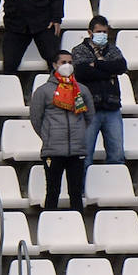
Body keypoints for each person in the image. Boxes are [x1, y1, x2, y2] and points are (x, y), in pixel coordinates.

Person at [29, 50, 93, 211]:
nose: (67, 66)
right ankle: (49, 229)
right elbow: (36, 118)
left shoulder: (82, 90)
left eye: (70, 62)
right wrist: (48, 135)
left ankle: (78, 229)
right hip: (53, 149)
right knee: (52, 191)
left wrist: (79, 133)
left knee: (76, 192)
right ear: (54, 65)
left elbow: (89, 116)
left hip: (76, 149)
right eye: (63, 62)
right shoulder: (43, 91)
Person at [69, 16, 125, 167]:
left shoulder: (113, 49)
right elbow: (81, 72)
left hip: (112, 108)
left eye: (105, 32)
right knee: (85, 155)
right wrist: (108, 70)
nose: (102, 34)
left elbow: (121, 67)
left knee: (117, 154)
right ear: (90, 32)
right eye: (99, 31)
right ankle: (81, 189)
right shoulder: (79, 50)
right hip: (89, 109)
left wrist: (96, 65)